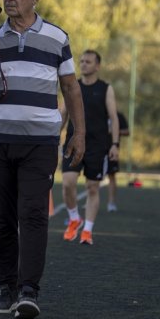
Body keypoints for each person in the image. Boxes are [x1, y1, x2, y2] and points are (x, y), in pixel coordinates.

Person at [0, 0, 85, 319]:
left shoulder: (57, 38)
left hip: (40, 144)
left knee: (32, 214)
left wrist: (79, 133)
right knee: (0, 219)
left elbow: (71, 88)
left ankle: (29, 291)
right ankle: (8, 289)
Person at [61, 50, 120, 245]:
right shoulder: (72, 86)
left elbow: (113, 118)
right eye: (82, 61)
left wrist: (115, 144)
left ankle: (87, 231)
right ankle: (74, 218)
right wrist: (53, 137)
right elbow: (62, 114)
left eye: (88, 62)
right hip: (72, 143)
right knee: (68, 183)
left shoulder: (106, 88)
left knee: (92, 187)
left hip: (97, 145)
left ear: (97, 66)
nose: (84, 64)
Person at [106, 111, 129, 212]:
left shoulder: (118, 115)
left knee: (112, 175)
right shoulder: (99, 113)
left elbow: (127, 131)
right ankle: (90, 201)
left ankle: (111, 203)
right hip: (97, 148)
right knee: (92, 177)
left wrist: (115, 131)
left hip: (112, 149)